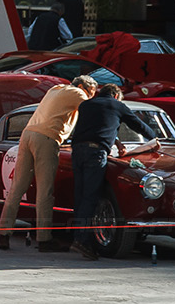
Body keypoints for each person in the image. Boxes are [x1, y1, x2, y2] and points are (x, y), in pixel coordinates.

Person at [0, 75, 97, 251]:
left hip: (27, 135)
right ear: (82, 86)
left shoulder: (55, 89)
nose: (90, 97)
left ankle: (4, 235)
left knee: (17, 188)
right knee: (45, 191)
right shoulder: (78, 93)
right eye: (91, 93)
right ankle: (44, 239)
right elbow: (92, 112)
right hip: (47, 137)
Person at [68, 83, 161, 261]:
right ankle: (83, 241)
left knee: (79, 195)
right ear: (116, 96)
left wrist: (116, 140)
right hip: (96, 153)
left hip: (77, 151)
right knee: (90, 196)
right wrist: (155, 138)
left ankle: (77, 237)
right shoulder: (117, 105)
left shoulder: (86, 105)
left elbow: (99, 123)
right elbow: (138, 125)